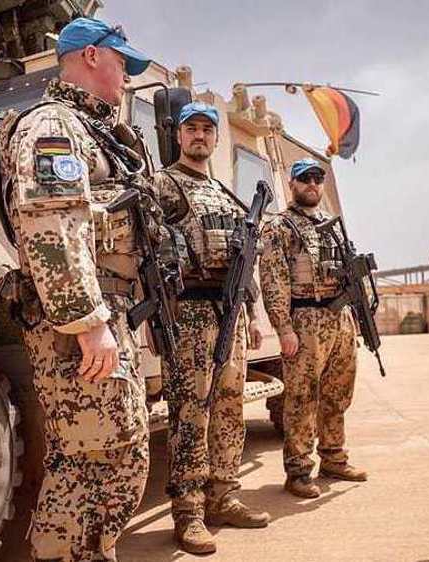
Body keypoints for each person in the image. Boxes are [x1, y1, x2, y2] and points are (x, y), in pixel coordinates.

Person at [0, 17, 154, 562]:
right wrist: (89, 324)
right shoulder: (53, 126)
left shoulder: (94, 130)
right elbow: (50, 229)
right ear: (90, 57)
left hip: (107, 313)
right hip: (81, 324)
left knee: (108, 455)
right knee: (98, 459)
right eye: (122, 64)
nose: (127, 78)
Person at [151, 101, 270, 555]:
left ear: (216, 139)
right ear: (178, 136)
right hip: (189, 316)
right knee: (190, 415)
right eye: (191, 129)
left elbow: (246, 258)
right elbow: (149, 254)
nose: (199, 136)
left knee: (230, 408)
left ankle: (224, 496)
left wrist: (253, 314)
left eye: (207, 129)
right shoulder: (162, 185)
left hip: (231, 314)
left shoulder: (225, 195)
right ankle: (189, 513)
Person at [258, 158, 368, 500]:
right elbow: (273, 280)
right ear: (292, 183)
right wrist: (284, 329)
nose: (312, 184)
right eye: (304, 178)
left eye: (317, 178)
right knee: (302, 399)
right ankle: (299, 470)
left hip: (340, 318)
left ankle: (334, 458)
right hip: (304, 322)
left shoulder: (331, 225)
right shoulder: (280, 227)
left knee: (338, 393)